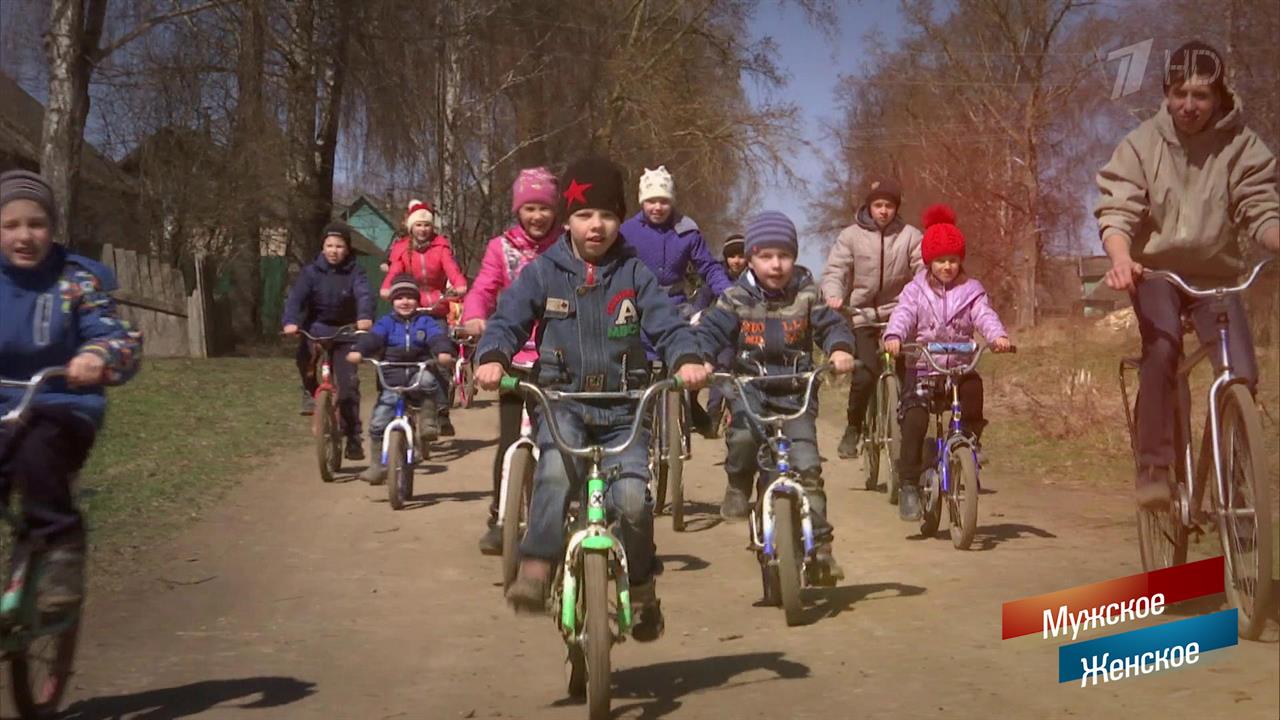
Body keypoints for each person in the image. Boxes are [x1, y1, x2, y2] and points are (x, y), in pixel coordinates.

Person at [474, 157, 710, 640]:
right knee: (556, 472)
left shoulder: (635, 272)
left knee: (632, 502)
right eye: (584, 215)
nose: (595, 225)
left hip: (626, 406)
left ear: (619, 218)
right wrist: (493, 355)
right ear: (568, 220)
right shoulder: (544, 271)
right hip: (562, 401)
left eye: (606, 214)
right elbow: (507, 318)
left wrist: (687, 356)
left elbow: (666, 324)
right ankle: (537, 565)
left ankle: (642, 589)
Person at [1096, 41, 1278, 510]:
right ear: (1166, 93)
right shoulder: (1141, 144)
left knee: (1240, 371)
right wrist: (1120, 258)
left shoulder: (1242, 146)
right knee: (1162, 350)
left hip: (1217, 277)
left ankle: (1231, 483)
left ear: (1219, 97)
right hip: (1157, 273)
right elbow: (1118, 211)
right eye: (1180, 94)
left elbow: (1260, 208)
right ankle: (1156, 467)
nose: (1189, 106)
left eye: (1201, 95)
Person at [0, 169, 143, 615]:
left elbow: (114, 333)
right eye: (11, 225)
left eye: (36, 224)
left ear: (53, 228)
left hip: (61, 402)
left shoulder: (77, 280)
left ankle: (63, 545)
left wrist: (98, 355)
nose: (25, 236)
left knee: (38, 453)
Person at [696, 211, 856, 581]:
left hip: (796, 391)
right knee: (742, 438)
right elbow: (709, 332)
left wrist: (839, 348)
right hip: (749, 388)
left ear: (795, 257)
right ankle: (738, 483)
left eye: (784, 255)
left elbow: (832, 326)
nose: (776, 264)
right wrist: (699, 359)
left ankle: (821, 548)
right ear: (750, 258)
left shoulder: (807, 293)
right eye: (766, 256)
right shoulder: (735, 297)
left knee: (808, 468)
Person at [883, 205, 1012, 522]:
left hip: (959, 369)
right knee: (913, 420)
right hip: (924, 368)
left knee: (974, 390)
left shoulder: (972, 290)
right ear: (929, 261)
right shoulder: (915, 290)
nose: (947, 266)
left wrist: (997, 337)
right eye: (941, 260)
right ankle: (910, 484)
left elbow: (985, 316)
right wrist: (894, 335)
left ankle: (967, 445)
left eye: (953, 260)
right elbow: (902, 314)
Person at [461, 166, 559, 554]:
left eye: (544, 209)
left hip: (555, 358)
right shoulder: (499, 248)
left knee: (558, 441)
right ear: (518, 210)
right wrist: (474, 315)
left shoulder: (566, 247)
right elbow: (484, 287)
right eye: (529, 208)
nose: (537, 216)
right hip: (511, 358)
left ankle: (559, 511)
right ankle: (500, 516)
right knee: (508, 440)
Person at [819, 178, 923, 461]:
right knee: (864, 375)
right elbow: (835, 271)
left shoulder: (911, 236)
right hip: (861, 315)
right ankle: (853, 428)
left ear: (896, 208)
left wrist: (924, 298)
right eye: (878, 205)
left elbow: (924, 270)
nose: (883, 211)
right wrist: (833, 295)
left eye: (889, 205)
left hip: (899, 315)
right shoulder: (851, 236)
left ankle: (906, 432)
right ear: (869, 206)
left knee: (908, 375)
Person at [348, 274, 455, 484]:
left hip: (417, 369)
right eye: (399, 298)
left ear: (418, 300)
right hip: (392, 376)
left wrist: (442, 351)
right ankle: (377, 465)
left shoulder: (425, 321)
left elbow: (437, 337)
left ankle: (427, 422)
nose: (405, 302)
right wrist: (359, 351)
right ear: (392, 301)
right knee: (378, 422)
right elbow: (373, 338)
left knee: (428, 381)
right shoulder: (386, 322)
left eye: (410, 297)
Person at [282, 221, 374, 461]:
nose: (334, 251)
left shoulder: (355, 272)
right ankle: (311, 392)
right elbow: (296, 298)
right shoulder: (310, 272)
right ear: (322, 247)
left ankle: (353, 437)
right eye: (329, 245)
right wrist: (290, 321)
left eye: (340, 246)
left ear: (347, 249)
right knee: (305, 357)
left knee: (348, 386)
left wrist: (364, 317)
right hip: (317, 328)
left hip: (345, 331)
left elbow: (364, 295)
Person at [380, 200, 469, 436]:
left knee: (439, 361)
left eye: (427, 225)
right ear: (411, 227)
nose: (423, 229)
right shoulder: (400, 249)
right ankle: (395, 404)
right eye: (418, 225)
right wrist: (387, 287)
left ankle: (441, 412)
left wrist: (459, 285)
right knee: (396, 354)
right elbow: (393, 272)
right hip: (410, 308)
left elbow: (452, 270)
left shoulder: (441, 248)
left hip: (436, 311)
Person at [690, 233, 747, 438]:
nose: (737, 261)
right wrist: (698, 319)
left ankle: (740, 415)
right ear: (725, 258)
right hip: (720, 336)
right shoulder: (715, 280)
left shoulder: (752, 280)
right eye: (732, 256)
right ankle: (713, 412)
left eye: (741, 256)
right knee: (721, 368)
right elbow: (699, 306)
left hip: (747, 336)